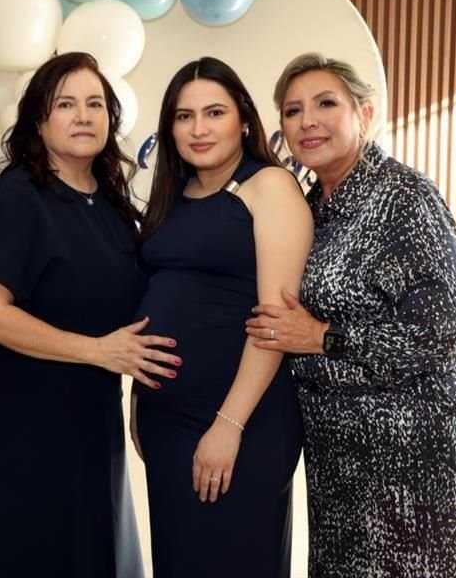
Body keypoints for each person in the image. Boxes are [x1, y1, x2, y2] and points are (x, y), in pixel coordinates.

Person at [0, 52, 180, 578]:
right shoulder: (15, 199)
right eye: (66, 104)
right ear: (40, 121)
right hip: (17, 420)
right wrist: (96, 351)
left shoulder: (111, 204)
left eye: (94, 104)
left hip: (88, 419)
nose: (83, 116)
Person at [247, 52, 456, 576]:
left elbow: (444, 330)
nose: (307, 120)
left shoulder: (404, 195)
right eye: (292, 111)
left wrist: (325, 338)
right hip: (339, 457)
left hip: (414, 449)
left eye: (325, 103)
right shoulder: (310, 206)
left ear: (366, 113)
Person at [132, 57, 313, 578]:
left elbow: (275, 323)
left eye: (214, 112)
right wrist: (141, 403)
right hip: (167, 425)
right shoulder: (173, 197)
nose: (199, 128)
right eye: (184, 116)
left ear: (244, 120)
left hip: (242, 421)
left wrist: (227, 426)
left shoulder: (269, 187)